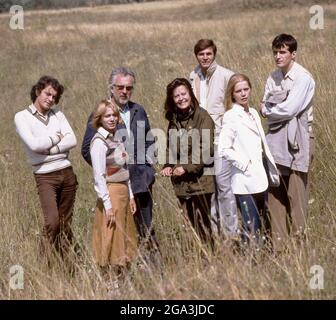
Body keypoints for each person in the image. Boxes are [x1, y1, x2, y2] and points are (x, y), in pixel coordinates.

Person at [81, 67, 159, 256]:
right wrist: (112, 170)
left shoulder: (138, 110)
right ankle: (120, 276)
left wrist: (148, 169)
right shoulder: (101, 113)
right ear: (111, 88)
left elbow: (149, 141)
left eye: (129, 88)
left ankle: (154, 274)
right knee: (118, 233)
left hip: (141, 182)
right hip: (117, 187)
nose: (125, 91)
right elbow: (87, 149)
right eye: (120, 87)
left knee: (146, 229)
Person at [260, 34, 315, 252]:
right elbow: (264, 105)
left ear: (293, 54)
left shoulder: (303, 78)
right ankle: (279, 249)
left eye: (282, 52)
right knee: (275, 194)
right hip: (274, 139)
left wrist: (271, 109)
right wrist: (271, 109)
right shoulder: (273, 77)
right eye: (275, 52)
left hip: (298, 139)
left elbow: (289, 109)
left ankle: (300, 249)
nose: (278, 56)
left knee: (296, 194)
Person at [14, 75, 77, 259]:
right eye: (47, 94)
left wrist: (50, 148)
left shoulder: (58, 114)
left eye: (54, 97)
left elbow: (72, 139)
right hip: (45, 176)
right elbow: (34, 146)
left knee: (65, 224)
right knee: (52, 222)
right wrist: (57, 138)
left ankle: (65, 264)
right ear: (37, 91)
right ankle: (44, 261)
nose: (51, 99)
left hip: (66, 172)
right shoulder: (22, 117)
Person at [218, 74, 279, 246]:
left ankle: (264, 257)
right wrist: (244, 164)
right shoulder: (230, 116)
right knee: (251, 223)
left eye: (246, 89)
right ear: (232, 94)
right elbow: (223, 147)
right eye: (239, 91)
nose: (243, 94)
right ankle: (250, 260)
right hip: (243, 180)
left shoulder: (252, 112)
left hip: (261, 175)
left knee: (265, 221)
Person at [189, 39, 237, 238]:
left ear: (214, 54)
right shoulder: (193, 76)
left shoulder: (227, 76)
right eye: (201, 54)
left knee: (225, 188)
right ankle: (216, 235)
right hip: (202, 141)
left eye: (208, 54)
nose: (205, 57)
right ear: (197, 56)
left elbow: (232, 108)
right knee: (209, 190)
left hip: (220, 140)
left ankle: (232, 234)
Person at [160, 78, 215, 247]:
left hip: (201, 182)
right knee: (191, 226)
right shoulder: (174, 120)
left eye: (184, 94)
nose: (181, 98)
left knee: (204, 226)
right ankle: (199, 259)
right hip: (182, 184)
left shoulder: (202, 116)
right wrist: (168, 166)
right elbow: (170, 147)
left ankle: (210, 261)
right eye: (176, 96)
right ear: (172, 99)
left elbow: (205, 149)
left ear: (190, 94)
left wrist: (186, 167)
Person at [90, 99, 137, 272]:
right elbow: (99, 176)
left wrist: (131, 195)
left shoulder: (117, 137)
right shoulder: (99, 142)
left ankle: (123, 273)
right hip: (111, 192)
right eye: (107, 115)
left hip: (123, 190)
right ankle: (111, 279)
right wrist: (107, 205)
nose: (111, 119)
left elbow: (124, 168)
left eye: (114, 115)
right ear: (100, 118)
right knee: (112, 234)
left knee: (124, 233)